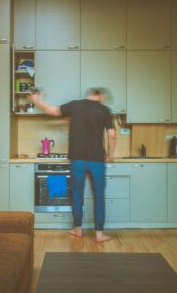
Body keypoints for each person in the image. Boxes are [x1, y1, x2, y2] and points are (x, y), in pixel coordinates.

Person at [28, 87, 117, 243]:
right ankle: (99, 234)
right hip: (97, 160)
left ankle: (78, 229)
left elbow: (52, 111)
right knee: (99, 196)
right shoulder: (104, 110)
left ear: (88, 95)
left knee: (77, 194)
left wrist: (37, 101)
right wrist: (110, 154)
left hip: (77, 159)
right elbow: (112, 134)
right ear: (99, 96)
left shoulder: (75, 106)